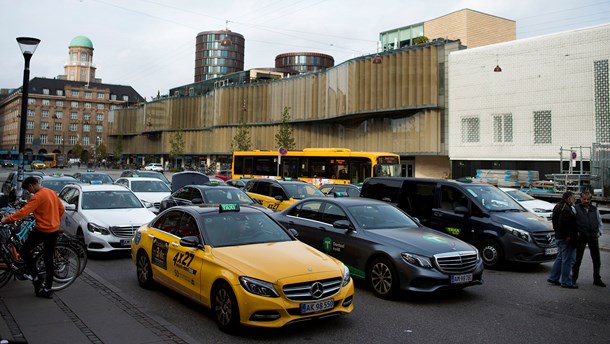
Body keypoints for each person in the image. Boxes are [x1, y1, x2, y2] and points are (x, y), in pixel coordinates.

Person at [0, 176, 65, 298]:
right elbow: (61, 209)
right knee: (48, 259)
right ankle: (47, 289)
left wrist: (6, 220)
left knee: (24, 251)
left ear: (31, 185)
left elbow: (24, 212)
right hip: (53, 230)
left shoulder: (38, 197)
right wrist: (55, 221)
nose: (29, 192)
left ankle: (36, 276)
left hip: (42, 230)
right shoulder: (51, 192)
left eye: (28, 190)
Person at [572, 191, 606, 287]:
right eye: (584, 199)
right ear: (580, 199)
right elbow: (572, 223)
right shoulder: (575, 209)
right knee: (577, 259)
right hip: (581, 238)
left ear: (590, 199)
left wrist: (599, 233)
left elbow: (600, 222)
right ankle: (573, 278)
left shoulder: (595, 209)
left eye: (588, 199)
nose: (586, 201)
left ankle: (597, 279)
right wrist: (576, 234)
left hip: (593, 237)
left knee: (596, 259)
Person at [547, 191, 579, 289]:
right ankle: (565, 282)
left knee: (560, 258)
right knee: (567, 260)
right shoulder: (566, 209)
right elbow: (565, 224)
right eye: (573, 198)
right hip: (565, 238)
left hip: (559, 237)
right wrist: (568, 236)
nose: (575, 199)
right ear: (568, 198)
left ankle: (553, 277)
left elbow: (554, 222)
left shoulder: (558, 206)